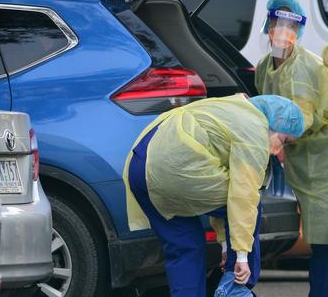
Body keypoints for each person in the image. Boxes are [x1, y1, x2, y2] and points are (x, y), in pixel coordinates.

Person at [122, 94, 305, 297]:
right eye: (284, 140)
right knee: (250, 203)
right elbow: (241, 196)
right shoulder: (255, 128)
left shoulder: (228, 108)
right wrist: (242, 257)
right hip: (175, 168)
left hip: (141, 169)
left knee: (186, 247)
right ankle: (235, 289)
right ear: (275, 123)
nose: (279, 150)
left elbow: (214, 189)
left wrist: (226, 245)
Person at [255, 0, 328, 297]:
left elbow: (301, 119)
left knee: (327, 240)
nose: (281, 32)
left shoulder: (305, 68)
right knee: (326, 238)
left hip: (325, 158)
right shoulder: (264, 67)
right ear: (268, 26)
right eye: (276, 24)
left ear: (299, 30)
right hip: (303, 162)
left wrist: (278, 136)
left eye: (289, 26)